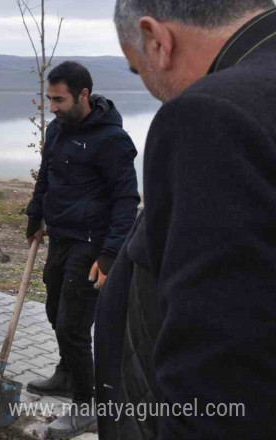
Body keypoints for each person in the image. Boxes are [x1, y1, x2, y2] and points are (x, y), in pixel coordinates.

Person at [95, 2, 276, 440]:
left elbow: (220, 368)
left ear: (157, 40)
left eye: (139, 72)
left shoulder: (214, 114)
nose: (155, 91)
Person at [23, 61, 139, 438]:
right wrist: (34, 215)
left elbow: (126, 201)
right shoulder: (57, 130)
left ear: (83, 95)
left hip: (92, 242)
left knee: (73, 325)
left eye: (59, 99)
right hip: (60, 235)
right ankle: (67, 374)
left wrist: (109, 256)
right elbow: (47, 176)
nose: (53, 107)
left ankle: (88, 406)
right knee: (55, 311)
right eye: (50, 99)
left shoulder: (112, 141)